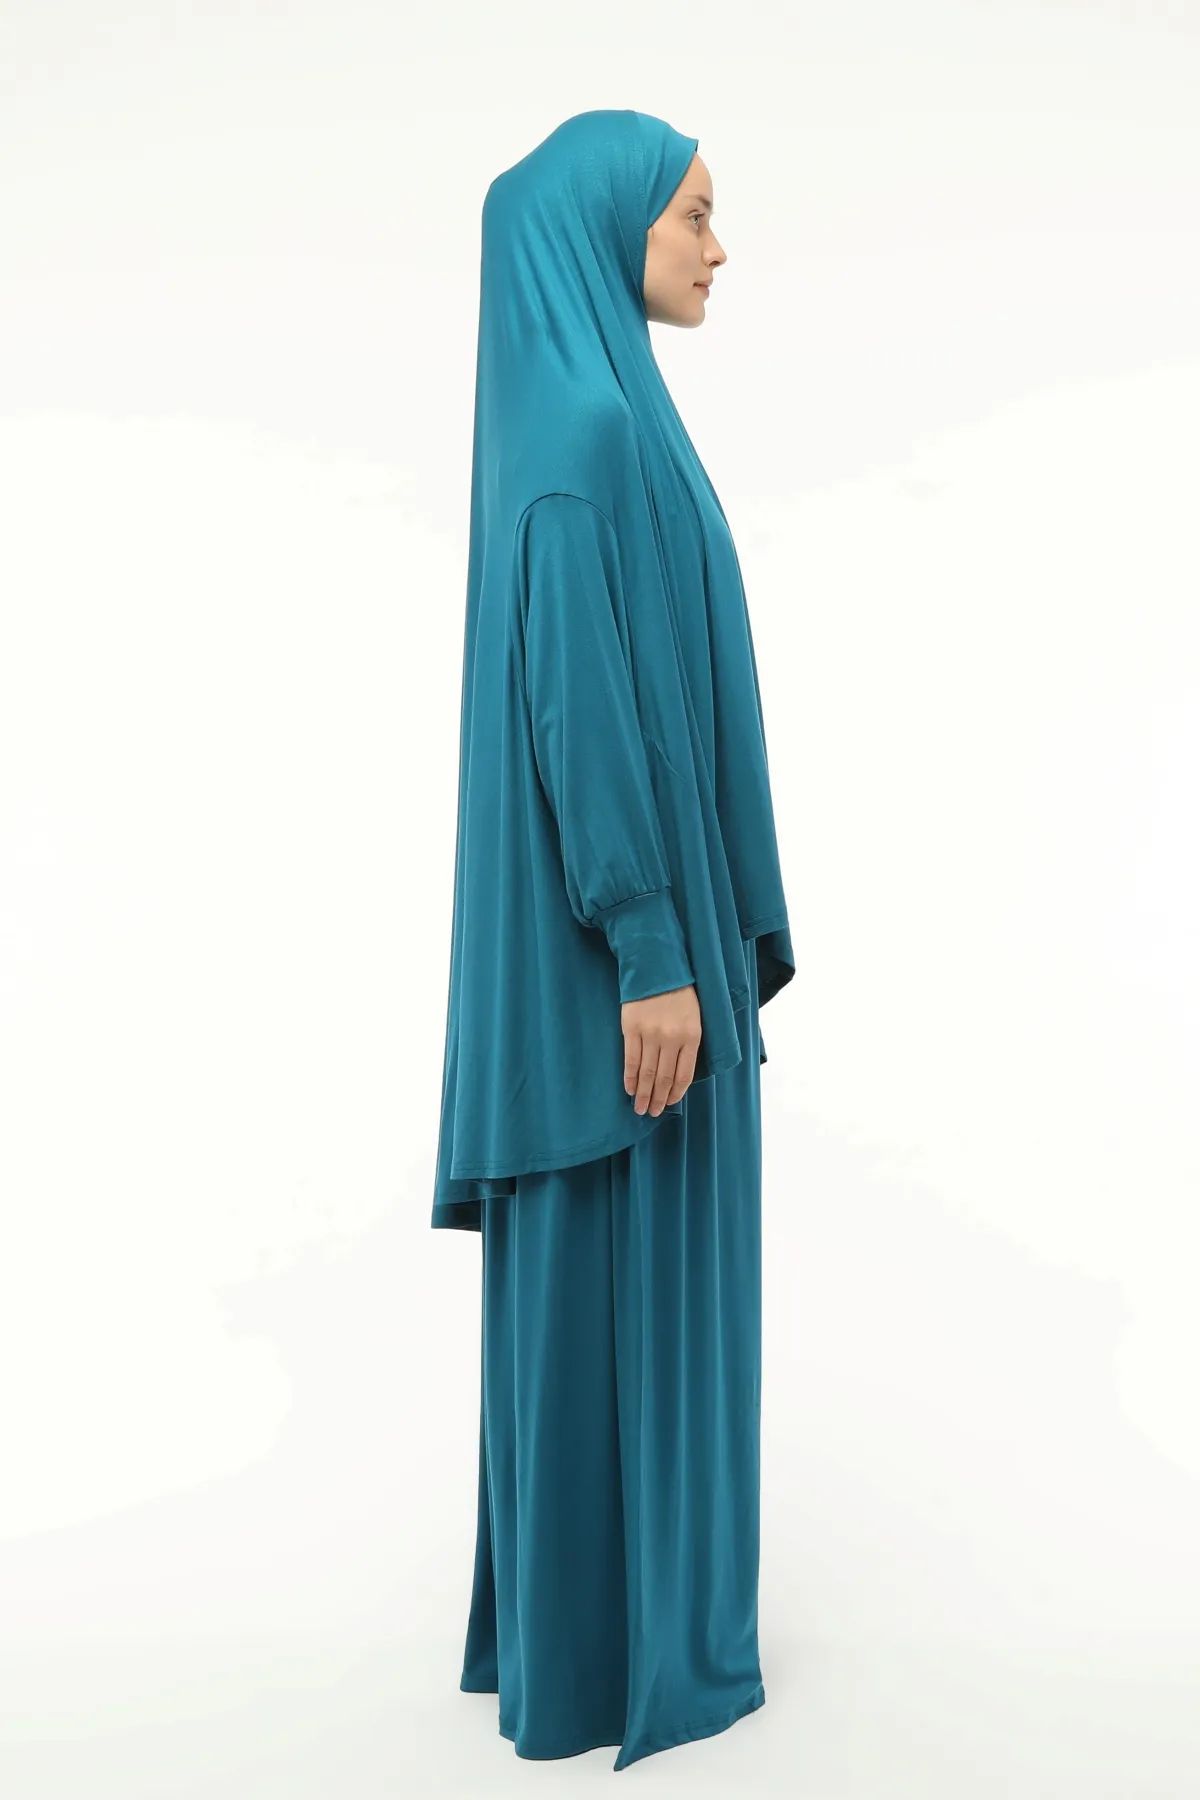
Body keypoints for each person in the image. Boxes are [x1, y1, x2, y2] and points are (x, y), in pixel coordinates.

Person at [430, 109, 795, 1772]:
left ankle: (609, 1636)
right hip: (628, 962)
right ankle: (628, 1654)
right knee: (615, 1267)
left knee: (621, 1280)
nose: (717, 248)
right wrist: (651, 947)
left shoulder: (599, 412)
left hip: (654, 933)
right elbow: (574, 710)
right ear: (608, 229)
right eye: (694, 215)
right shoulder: (581, 433)